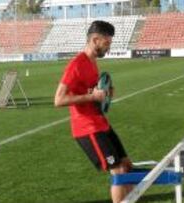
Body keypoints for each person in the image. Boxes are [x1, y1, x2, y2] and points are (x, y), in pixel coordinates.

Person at [54, 20, 132, 203]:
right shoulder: (76, 64)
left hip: (100, 123)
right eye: (107, 43)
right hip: (87, 128)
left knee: (127, 166)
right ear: (95, 40)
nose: (109, 48)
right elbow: (58, 100)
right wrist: (93, 97)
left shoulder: (92, 62)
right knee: (119, 172)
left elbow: (91, 92)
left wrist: (105, 94)